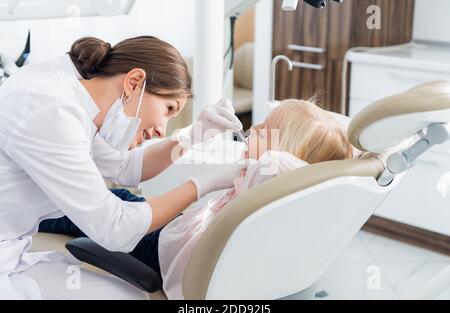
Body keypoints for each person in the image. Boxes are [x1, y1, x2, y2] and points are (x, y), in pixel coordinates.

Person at [0, 36, 245, 299]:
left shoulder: (77, 98)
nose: (162, 129)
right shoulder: (51, 109)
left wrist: (195, 135)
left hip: (12, 255)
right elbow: (113, 228)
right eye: (168, 109)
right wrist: (202, 185)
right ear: (134, 82)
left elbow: (127, 167)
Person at [40, 99, 353, 299]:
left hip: (161, 252)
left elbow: (286, 168)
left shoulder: (271, 180)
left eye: (263, 131)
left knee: (93, 211)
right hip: (180, 233)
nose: (251, 131)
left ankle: (38, 211)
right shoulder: (283, 199)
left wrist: (266, 156)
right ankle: (44, 201)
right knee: (119, 196)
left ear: (282, 153)